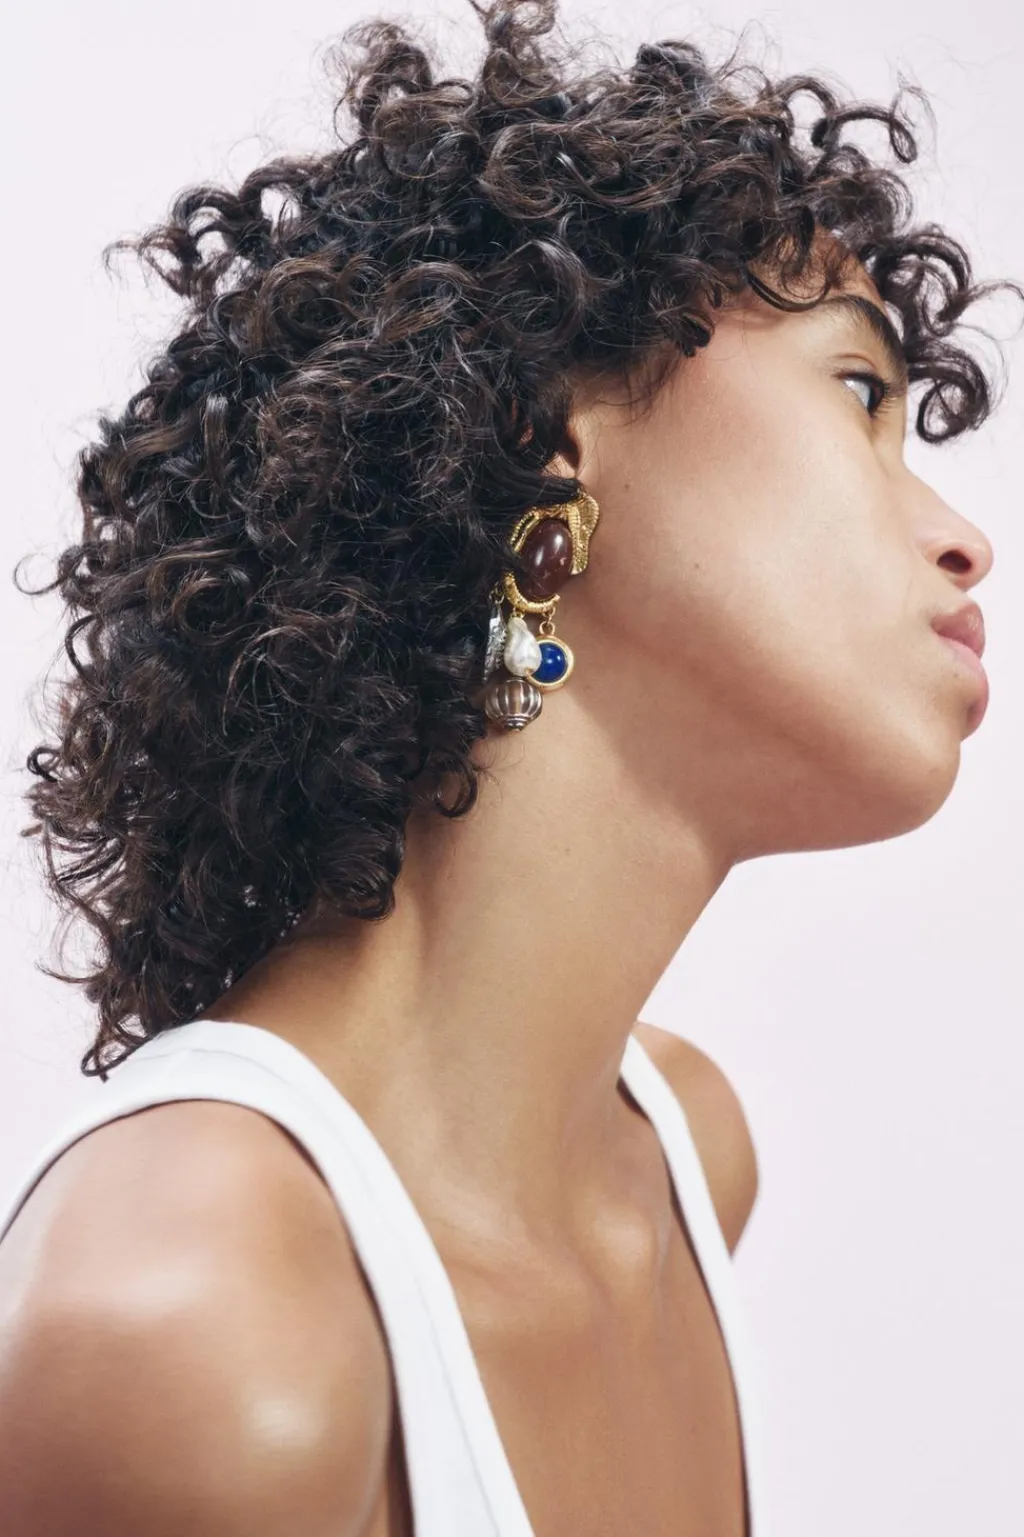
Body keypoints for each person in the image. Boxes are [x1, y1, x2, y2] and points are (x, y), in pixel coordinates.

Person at [0, 2, 1016, 1533]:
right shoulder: (192, 1324)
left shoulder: (686, 1161)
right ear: (550, 439)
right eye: (859, 397)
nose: (964, 538)